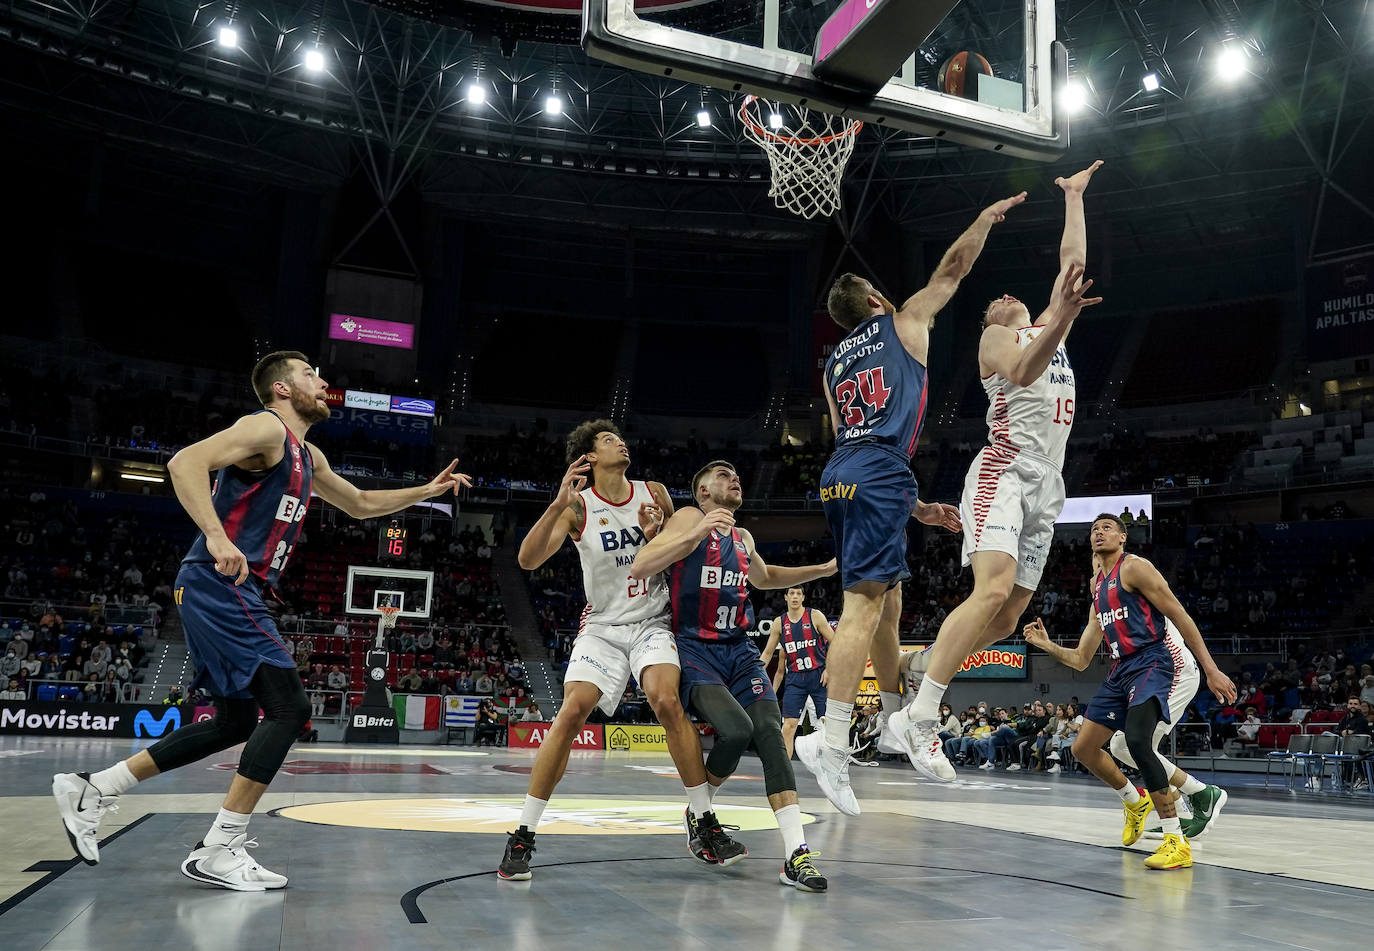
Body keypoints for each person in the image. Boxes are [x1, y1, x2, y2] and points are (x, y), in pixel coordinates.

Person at [51, 350, 470, 890]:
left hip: (224, 588)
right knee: (290, 708)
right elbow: (184, 463)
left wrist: (426, 493)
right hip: (220, 581)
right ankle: (220, 846)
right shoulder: (265, 429)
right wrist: (218, 535)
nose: (323, 383)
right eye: (310, 375)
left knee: (235, 721)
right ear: (280, 389)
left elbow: (361, 503)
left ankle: (96, 788)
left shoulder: (308, 455)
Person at [794, 189, 1029, 815]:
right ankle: (833, 739)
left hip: (848, 471)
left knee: (890, 605)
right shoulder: (903, 321)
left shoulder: (833, 365)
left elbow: (859, 428)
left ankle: (898, 724)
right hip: (877, 469)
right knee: (864, 608)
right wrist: (979, 217)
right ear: (874, 299)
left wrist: (915, 506)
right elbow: (951, 270)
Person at [886, 161, 1107, 784]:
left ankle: (924, 661)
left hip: (1050, 485)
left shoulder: (1049, 329)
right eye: (996, 301)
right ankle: (920, 715)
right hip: (1003, 471)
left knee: (1007, 619)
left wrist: (1073, 197)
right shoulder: (993, 340)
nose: (1004, 297)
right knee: (989, 590)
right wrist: (1059, 315)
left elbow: (1072, 262)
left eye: (1011, 298)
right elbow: (1024, 372)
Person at [498, 421, 743, 881]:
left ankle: (703, 822)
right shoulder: (577, 508)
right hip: (604, 627)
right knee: (571, 711)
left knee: (666, 699)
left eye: (620, 438)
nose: (621, 442)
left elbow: (681, 552)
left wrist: (655, 535)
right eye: (609, 440)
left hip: (652, 619)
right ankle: (523, 834)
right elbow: (527, 561)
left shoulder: (653, 492)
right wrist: (554, 506)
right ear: (588, 458)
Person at [632, 460, 835, 891]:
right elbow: (643, 563)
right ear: (703, 492)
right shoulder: (689, 518)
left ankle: (796, 855)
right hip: (695, 648)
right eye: (722, 476)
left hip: (740, 650)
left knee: (770, 731)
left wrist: (824, 569)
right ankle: (701, 808)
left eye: (736, 475)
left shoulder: (743, 537)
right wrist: (694, 530)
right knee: (736, 730)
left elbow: (766, 577)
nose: (734, 478)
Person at [1023, 514, 1237, 869]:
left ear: (1123, 538)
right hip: (1124, 669)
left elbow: (1181, 614)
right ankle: (1142, 799)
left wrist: (1213, 669)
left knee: (1134, 743)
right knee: (1085, 747)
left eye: (1106, 528)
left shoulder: (1135, 569)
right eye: (1093, 530)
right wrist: (1046, 645)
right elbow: (1080, 659)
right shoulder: (1099, 591)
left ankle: (1178, 830)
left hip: (1167, 665)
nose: (1098, 534)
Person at [759, 586, 835, 758]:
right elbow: (767, 653)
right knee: (789, 726)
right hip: (795, 679)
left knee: (827, 725)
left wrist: (829, 669)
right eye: (791, 593)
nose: (794, 597)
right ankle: (785, 771)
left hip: (819, 676)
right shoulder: (779, 623)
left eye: (798, 594)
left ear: (803, 597)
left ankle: (832, 765)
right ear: (785, 597)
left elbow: (835, 642)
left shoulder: (815, 616)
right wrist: (755, 673)